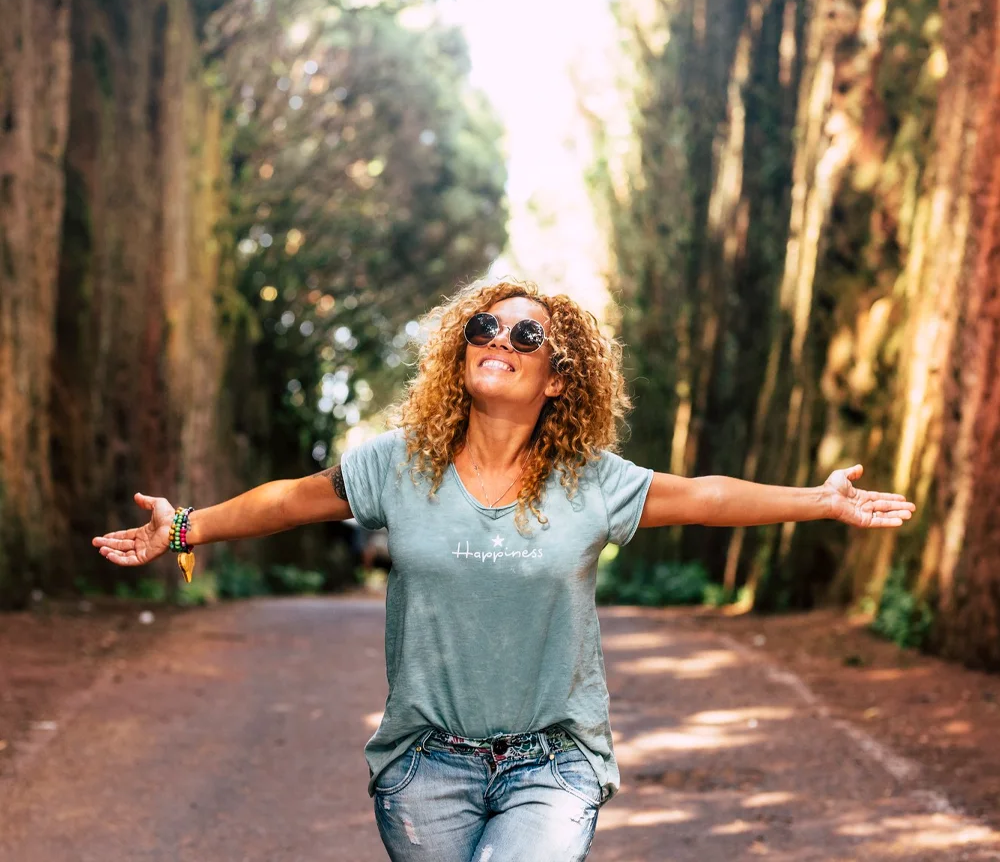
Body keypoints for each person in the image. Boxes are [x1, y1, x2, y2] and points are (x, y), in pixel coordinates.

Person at [92, 278, 915, 862]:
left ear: (558, 380)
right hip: (421, 764)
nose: (499, 341)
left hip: (553, 761)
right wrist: (185, 529)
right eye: (483, 328)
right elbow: (288, 502)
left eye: (526, 336)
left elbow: (705, 494)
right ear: (460, 355)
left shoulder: (593, 481)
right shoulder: (400, 464)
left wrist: (819, 500)